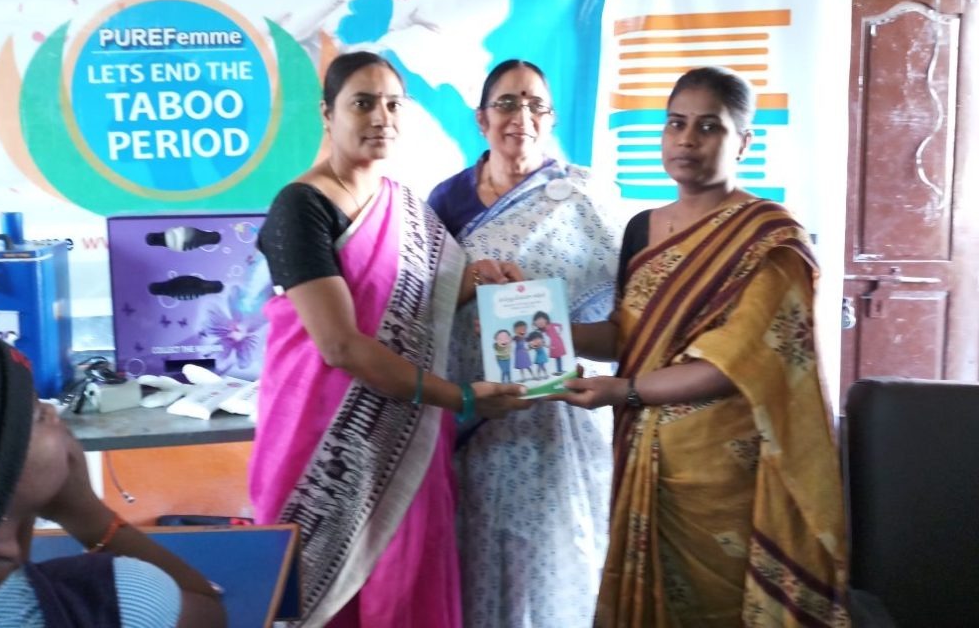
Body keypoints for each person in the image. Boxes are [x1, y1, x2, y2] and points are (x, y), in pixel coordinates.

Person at [248, 50, 531, 628]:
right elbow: (341, 345)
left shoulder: (403, 205)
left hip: (404, 445)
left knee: (404, 596)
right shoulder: (300, 207)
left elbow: (419, 302)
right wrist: (462, 398)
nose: (382, 117)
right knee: (323, 606)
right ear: (327, 114)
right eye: (363, 103)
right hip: (322, 450)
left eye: (394, 104)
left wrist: (480, 280)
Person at [560, 67, 849, 626]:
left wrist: (624, 391)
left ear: (744, 141)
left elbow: (735, 360)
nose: (687, 139)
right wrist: (545, 329)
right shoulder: (641, 228)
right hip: (644, 451)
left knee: (719, 604)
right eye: (676, 123)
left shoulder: (771, 238)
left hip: (723, 466)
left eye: (709, 126)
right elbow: (626, 334)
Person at [428, 59, 623, 628]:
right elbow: (420, 308)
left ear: (552, 118)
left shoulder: (583, 198)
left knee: (551, 567)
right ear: (481, 119)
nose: (522, 116)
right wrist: (470, 285)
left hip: (557, 419)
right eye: (507, 103)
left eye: (536, 104)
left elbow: (625, 329)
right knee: (478, 560)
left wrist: (543, 321)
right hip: (474, 415)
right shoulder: (446, 202)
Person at [0, 332, 226, 628]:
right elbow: (208, 612)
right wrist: (87, 515)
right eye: (37, 414)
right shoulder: (108, 600)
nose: (52, 410)